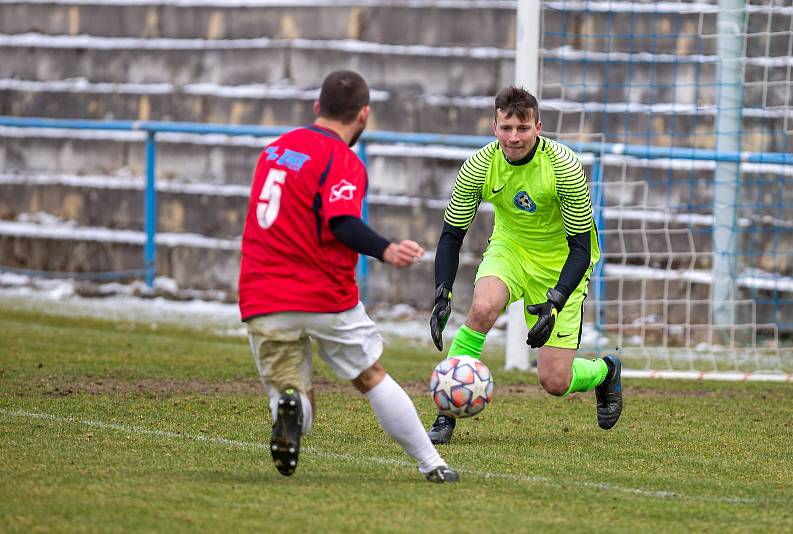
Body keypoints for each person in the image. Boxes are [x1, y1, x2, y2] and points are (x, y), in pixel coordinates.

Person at [238, 70, 458, 483]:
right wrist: (386, 249)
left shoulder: (274, 150)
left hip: (263, 294)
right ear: (364, 116)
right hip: (324, 295)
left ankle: (290, 404)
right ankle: (433, 463)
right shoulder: (342, 160)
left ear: (317, 107)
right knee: (371, 377)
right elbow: (341, 221)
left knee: (293, 394)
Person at [427, 86, 623, 444]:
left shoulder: (563, 166)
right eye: (506, 128)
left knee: (554, 382)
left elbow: (581, 248)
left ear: (538, 127)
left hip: (561, 262)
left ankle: (605, 371)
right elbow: (451, 235)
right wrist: (443, 291)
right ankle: (446, 413)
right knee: (483, 308)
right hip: (511, 250)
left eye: (522, 128)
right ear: (494, 126)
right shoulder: (479, 165)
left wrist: (556, 300)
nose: (513, 137)